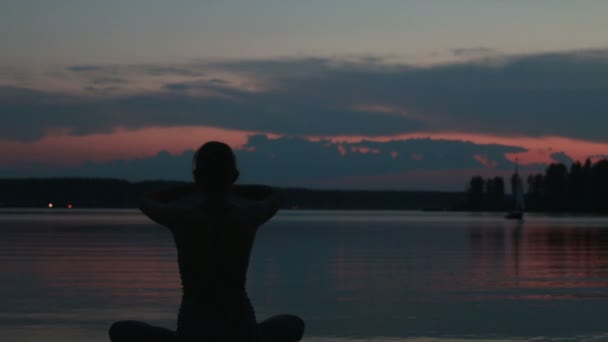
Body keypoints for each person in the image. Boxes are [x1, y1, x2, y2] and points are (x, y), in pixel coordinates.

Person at [108, 141, 305, 342]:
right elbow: (275, 195)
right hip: (242, 331)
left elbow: (146, 198)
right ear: (234, 176)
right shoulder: (248, 215)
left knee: (121, 330)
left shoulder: (181, 216)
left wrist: (194, 188)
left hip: (193, 331)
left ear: (197, 177)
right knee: (293, 323)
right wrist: (230, 187)